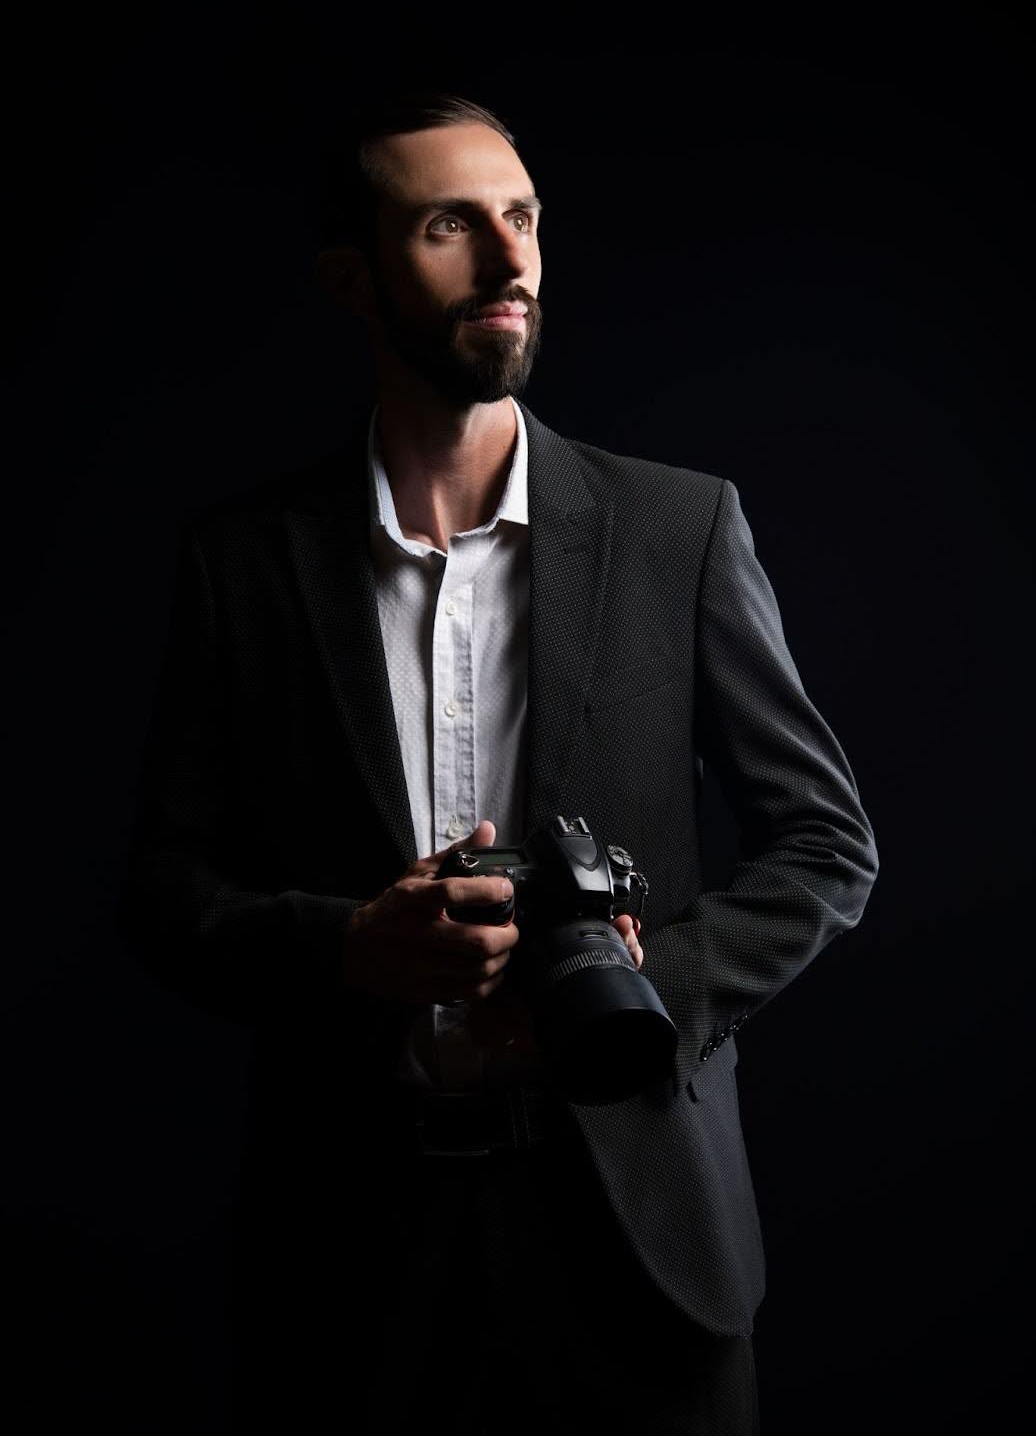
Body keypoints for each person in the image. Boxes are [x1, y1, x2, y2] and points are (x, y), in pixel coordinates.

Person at [117, 88, 879, 1435]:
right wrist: (349, 948)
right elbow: (167, 893)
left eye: (522, 218)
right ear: (352, 279)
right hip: (351, 1263)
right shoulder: (243, 563)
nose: (508, 258)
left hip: (643, 1245)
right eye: (448, 226)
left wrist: (656, 986)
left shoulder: (679, 529)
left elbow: (828, 846)